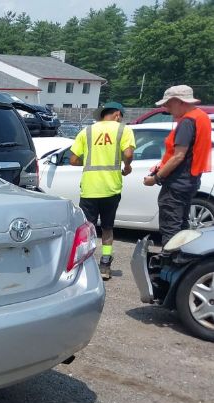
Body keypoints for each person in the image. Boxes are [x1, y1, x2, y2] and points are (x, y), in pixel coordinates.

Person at [69, 101, 136, 280]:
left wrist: (91, 162)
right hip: (111, 188)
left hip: (89, 188)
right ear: (117, 114)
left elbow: (73, 160)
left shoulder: (86, 132)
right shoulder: (123, 130)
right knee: (107, 228)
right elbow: (128, 154)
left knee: (87, 229)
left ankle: (84, 265)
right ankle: (105, 265)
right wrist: (127, 166)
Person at [143, 85, 212, 246]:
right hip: (190, 181)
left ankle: (170, 265)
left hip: (176, 184)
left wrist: (156, 178)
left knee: (170, 229)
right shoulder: (201, 117)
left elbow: (179, 155)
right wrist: (161, 166)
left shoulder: (187, 122)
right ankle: (179, 265)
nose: (166, 108)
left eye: (168, 104)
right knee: (181, 227)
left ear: (179, 101)